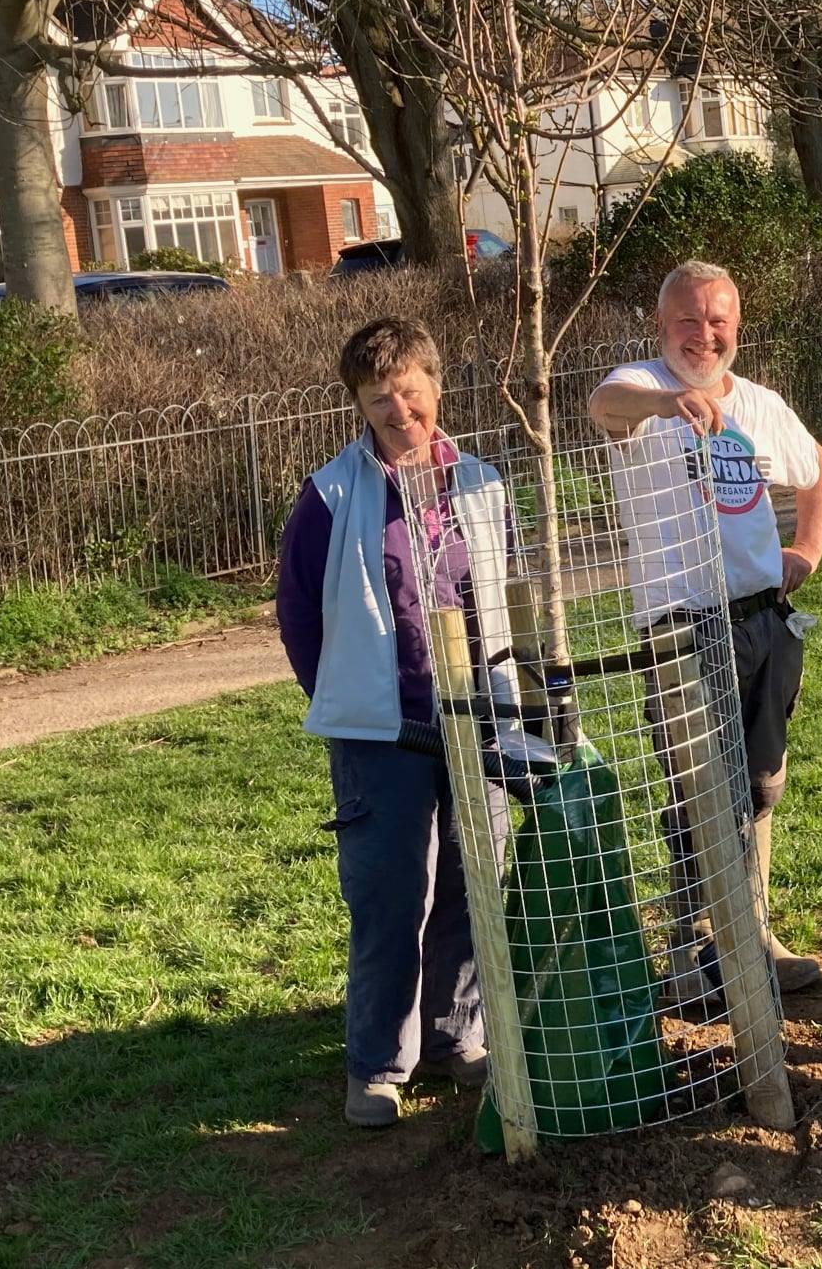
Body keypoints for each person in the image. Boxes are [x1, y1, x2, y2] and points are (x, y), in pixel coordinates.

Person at [275, 317, 515, 1129]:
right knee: (388, 896)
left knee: (471, 885)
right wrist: (345, 692)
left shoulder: (481, 484)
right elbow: (299, 615)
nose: (399, 412)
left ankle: (456, 1037)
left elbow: (502, 588)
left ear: (435, 387)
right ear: (358, 406)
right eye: (379, 400)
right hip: (382, 733)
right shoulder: (331, 496)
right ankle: (377, 1065)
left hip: (475, 717)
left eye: (409, 393)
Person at [587, 260, 822, 997]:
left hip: (763, 621)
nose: (704, 334)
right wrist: (669, 404)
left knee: (760, 787)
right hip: (682, 630)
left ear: (737, 326)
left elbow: (817, 466)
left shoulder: (760, 403)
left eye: (718, 320)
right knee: (697, 791)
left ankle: (751, 933)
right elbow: (603, 406)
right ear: (662, 325)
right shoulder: (638, 385)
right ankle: (690, 953)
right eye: (688, 320)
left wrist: (807, 548)